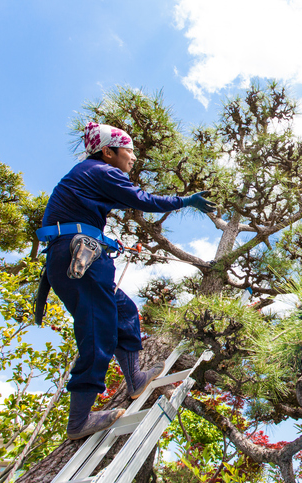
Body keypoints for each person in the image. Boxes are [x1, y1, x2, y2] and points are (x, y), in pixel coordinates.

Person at [37, 122, 215, 440]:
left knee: (125, 311)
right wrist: (184, 201)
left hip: (76, 254)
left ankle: (135, 379)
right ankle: (78, 421)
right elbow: (142, 200)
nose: (132, 158)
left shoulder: (89, 175)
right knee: (98, 333)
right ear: (109, 151)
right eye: (129, 151)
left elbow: (87, 215)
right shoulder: (102, 171)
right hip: (75, 258)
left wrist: (103, 241)